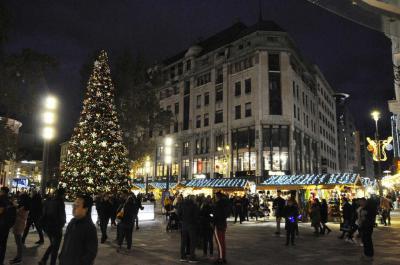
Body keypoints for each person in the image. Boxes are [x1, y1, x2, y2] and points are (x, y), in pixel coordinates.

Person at [59, 194, 98, 265]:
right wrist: (61, 257)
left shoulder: (90, 227)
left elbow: (91, 253)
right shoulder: (72, 222)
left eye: (77, 206)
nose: (73, 208)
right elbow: (66, 244)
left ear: (85, 209)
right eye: (73, 205)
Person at [38, 188, 66, 265]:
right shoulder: (60, 202)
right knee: (55, 248)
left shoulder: (49, 201)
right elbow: (62, 216)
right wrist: (62, 224)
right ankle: (50, 262)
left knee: (53, 244)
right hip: (56, 228)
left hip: (48, 227)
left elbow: (44, 213)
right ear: (62, 194)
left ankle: (43, 260)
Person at [177, 195, 199, 263]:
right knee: (192, 241)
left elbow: (178, 213)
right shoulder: (194, 206)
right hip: (192, 225)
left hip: (184, 225)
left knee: (183, 241)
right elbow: (196, 216)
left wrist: (182, 220)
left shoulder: (182, 204)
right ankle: (192, 257)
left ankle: (183, 256)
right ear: (193, 199)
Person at [10, 192, 30, 264]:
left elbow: (17, 211)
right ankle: (18, 257)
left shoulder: (24, 207)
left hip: (19, 225)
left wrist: (14, 205)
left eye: (21, 198)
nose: (19, 199)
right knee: (18, 242)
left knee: (19, 243)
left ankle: (19, 257)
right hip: (20, 224)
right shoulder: (26, 206)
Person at [0, 187, 16, 265]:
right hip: (7, 225)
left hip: (1, 224)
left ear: (2, 191)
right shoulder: (10, 200)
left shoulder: (1, 198)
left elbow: (1, 210)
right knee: (3, 244)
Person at [213, 191, 230, 264]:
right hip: (223, 224)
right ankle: (223, 257)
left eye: (215, 197)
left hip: (218, 225)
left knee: (219, 242)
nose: (215, 198)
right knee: (222, 242)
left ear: (218, 197)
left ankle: (220, 258)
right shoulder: (226, 204)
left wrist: (211, 216)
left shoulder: (218, 205)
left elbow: (215, 215)